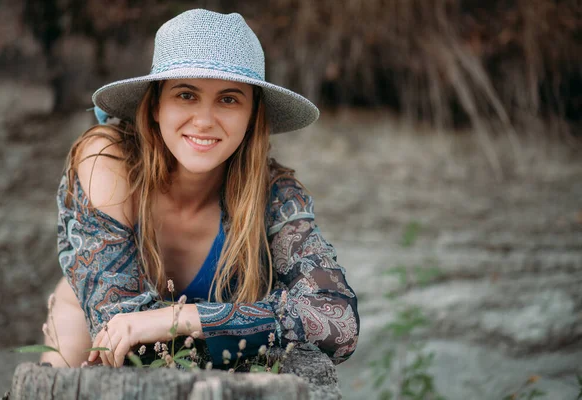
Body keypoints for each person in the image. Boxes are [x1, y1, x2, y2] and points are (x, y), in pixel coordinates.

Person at [40, 8, 359, 369]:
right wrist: (251, 325)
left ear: (253, 115)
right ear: (157, 104)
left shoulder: (273, 194)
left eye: (228, 99)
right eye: (186, 95)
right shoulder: (109, 160)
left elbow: (338, 324)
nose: (205, 121)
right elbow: (121, 333)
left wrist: (184, 318)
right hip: (82, 350)